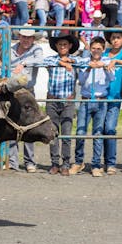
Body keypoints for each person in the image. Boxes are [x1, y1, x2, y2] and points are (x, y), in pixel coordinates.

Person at [31, 32, 87, 175]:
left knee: (67, 134)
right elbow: (41, 62)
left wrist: (70, 62)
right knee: (53, 133)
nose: (62, 46)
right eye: (60, 44)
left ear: (69, 46)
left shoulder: (75, 60)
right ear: (56, 46)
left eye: (65, 44)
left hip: (68, 102)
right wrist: (61, 62)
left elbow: (85, 62)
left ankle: (66, 163)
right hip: (53, 101)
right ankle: (55, 163)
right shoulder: (51, 60)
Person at [1, 29, 44, 172]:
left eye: (29, 37)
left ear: (33, 39)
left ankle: (29, 161)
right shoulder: (11, 49)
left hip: (27, 92)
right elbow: (3, 62)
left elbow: (40, 60)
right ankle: (13, 162)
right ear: (19, 36)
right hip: (13, 92)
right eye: (24, 37)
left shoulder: (36, 49)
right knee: (12, 125)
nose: (26, 40)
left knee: (29, 125)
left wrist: (24, 63)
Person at [72, 37, 114, 176]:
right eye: (93, 48)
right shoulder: (84, 61)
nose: (96, 51)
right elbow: (81, 81)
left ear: (103, 49)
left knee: (98, 133)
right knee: (80, 132)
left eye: (99, 49)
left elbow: (112, 78)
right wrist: (90, 68)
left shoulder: (107, 60)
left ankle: (96, 164)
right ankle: (79, 162)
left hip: (101, 100)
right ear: (90, 48)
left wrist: (104, 67)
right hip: (86, 100)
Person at [101, 31, 122, 175]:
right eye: (113, 37)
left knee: (110, 129)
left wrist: (116, 61)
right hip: (100, 96)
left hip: (114, 98)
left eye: (118, 38)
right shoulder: (104, 52)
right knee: (100, 130)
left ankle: (111, 162)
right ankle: (100, 161)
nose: (115, 40)